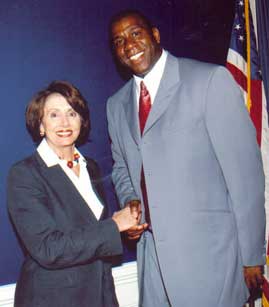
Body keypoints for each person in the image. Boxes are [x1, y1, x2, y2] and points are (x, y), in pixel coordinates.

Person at [106, 9, 266, 307]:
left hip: (210, 260)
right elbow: (121, 167)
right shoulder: (115, 106)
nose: (128, 45)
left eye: (135, 33)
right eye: (118, 41)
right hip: (151, 261)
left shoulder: (208, 81)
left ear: (155, 34)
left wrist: (253, 256)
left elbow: (246, 176)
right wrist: (131, 200)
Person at [7, 80, 139, 307]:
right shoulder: (25, 174)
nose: (65, 122)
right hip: (52, 298)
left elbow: (91, 233)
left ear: (82, 120)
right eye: (54, 115)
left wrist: (127, 228)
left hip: (99, 292)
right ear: (40, 125)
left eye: (72, 113)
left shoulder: (91, 167)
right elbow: (49, 248)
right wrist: (114, 226)